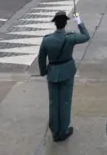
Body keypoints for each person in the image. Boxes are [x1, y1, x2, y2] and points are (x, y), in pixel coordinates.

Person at [38, 10, 90, 143]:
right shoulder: (70, 38)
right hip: (67, 72)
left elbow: (41, 58)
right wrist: (78, 21)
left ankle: (55, 132)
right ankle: (64, 131)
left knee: (53, 103)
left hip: (52, 73)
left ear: (55, 24)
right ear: (65, 23)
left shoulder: (47, 40)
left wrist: (43, 71)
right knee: (65, 102)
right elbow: (86, 36)